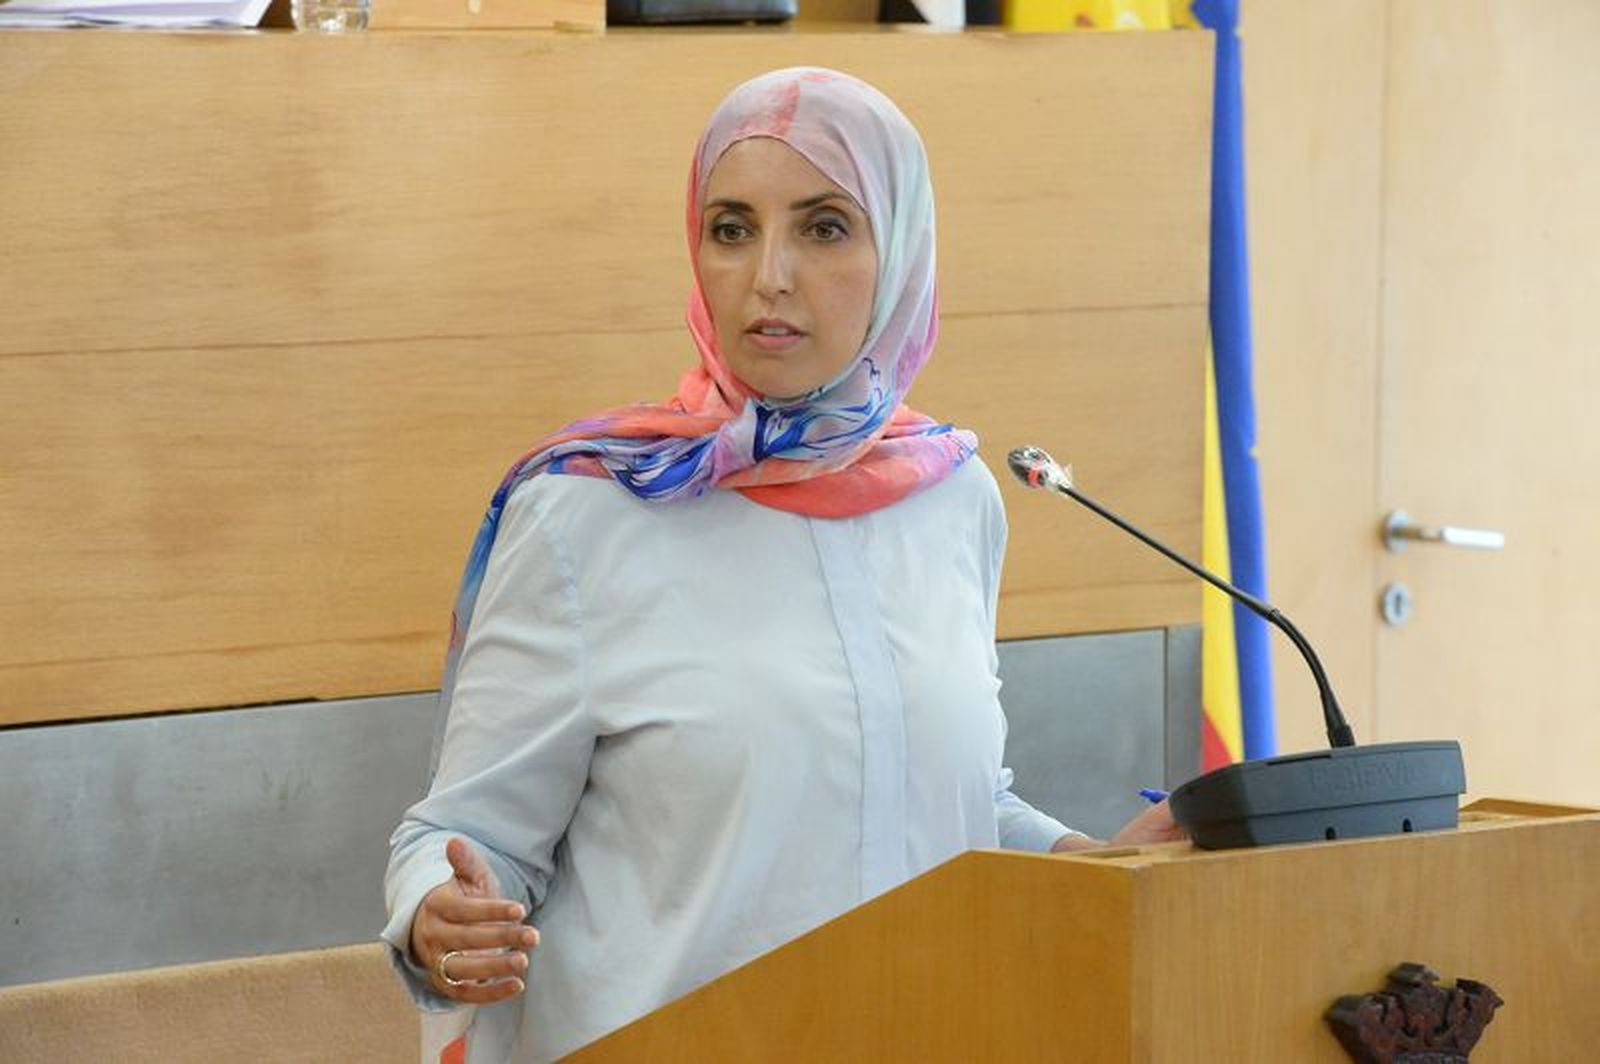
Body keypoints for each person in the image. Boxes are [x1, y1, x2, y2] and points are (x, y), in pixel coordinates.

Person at [382, 66, 1182, 1063]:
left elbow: (932, 807)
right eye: (731, 227)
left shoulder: (951, 498)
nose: (769, 274)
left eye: (824, 226)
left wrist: (1096, 861)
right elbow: (464, 833)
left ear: (902, 251)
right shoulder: (589, 510)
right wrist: (439, 915)